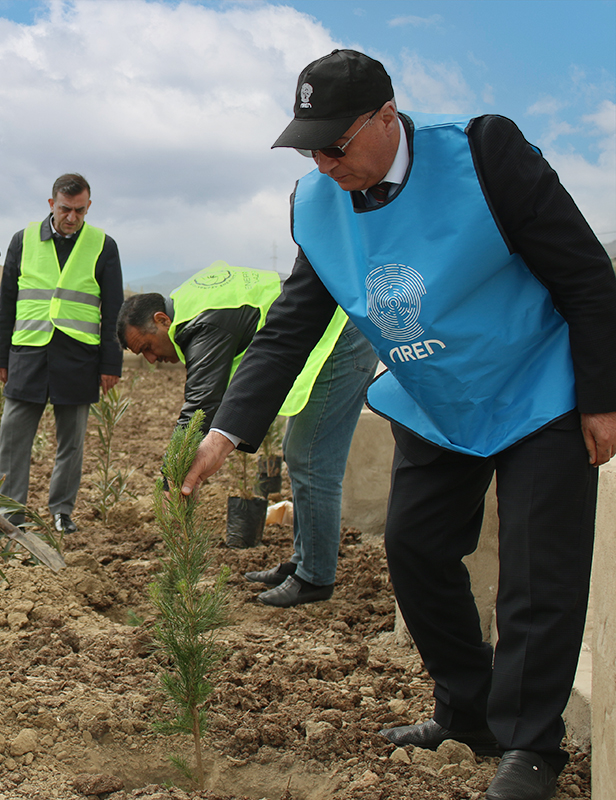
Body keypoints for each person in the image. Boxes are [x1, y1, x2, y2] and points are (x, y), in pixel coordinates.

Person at [180, 50, 616, 800]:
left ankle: (531, 748)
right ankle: (468, 712)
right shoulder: (315, 204)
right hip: (436, 400)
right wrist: (226, 431)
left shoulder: (484, 154)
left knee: (537, 574)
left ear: (387, 117)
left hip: (536, 388)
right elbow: (290, 327)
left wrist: (603, 396)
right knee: (415, 550)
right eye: (310, 148)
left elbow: (583, 271)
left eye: (336, 145)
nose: (324, 163)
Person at [117, 261, 376, 606]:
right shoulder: (191, 302)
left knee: (311, 458)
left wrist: (171, 478)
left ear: (162, 321)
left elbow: (200, 407)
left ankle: (315, 578)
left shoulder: (200, 321)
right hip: (328, 331)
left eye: (146, 346)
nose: (150, 359)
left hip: (340, 337)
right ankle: (303, 563)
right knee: (298, 452)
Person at [0, 173, 122, 533]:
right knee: (13, 439)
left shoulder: (103, 246)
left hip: (79, 358)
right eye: (66, 209)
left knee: (72, 443)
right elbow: (6, 304)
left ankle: (62, 510)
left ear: (88, 207)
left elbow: (113, 310)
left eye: (80, 210)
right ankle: (9, 515)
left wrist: (111, 364)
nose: (72, 217)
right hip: (28, 355)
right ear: (52, 204)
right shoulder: (23, 240)